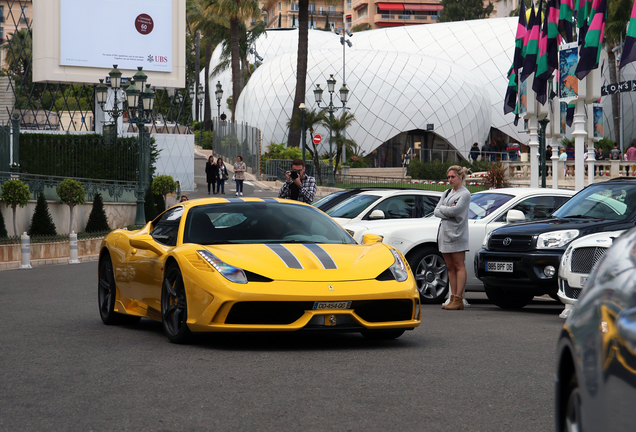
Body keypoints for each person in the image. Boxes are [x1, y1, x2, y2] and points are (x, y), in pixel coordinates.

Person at [434, 165, 471, 311]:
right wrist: (446, 210)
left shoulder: (465, 194)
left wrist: (444, 209)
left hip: (457, 234)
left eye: (452, 177)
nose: (450, 179)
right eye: (448, 177)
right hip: (445, 234)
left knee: (458, 265)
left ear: (460, 176)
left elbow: (455, 211)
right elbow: (436, 211)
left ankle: (458, 298)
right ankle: (452, 297)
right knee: (449, 267)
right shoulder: (447, 192)